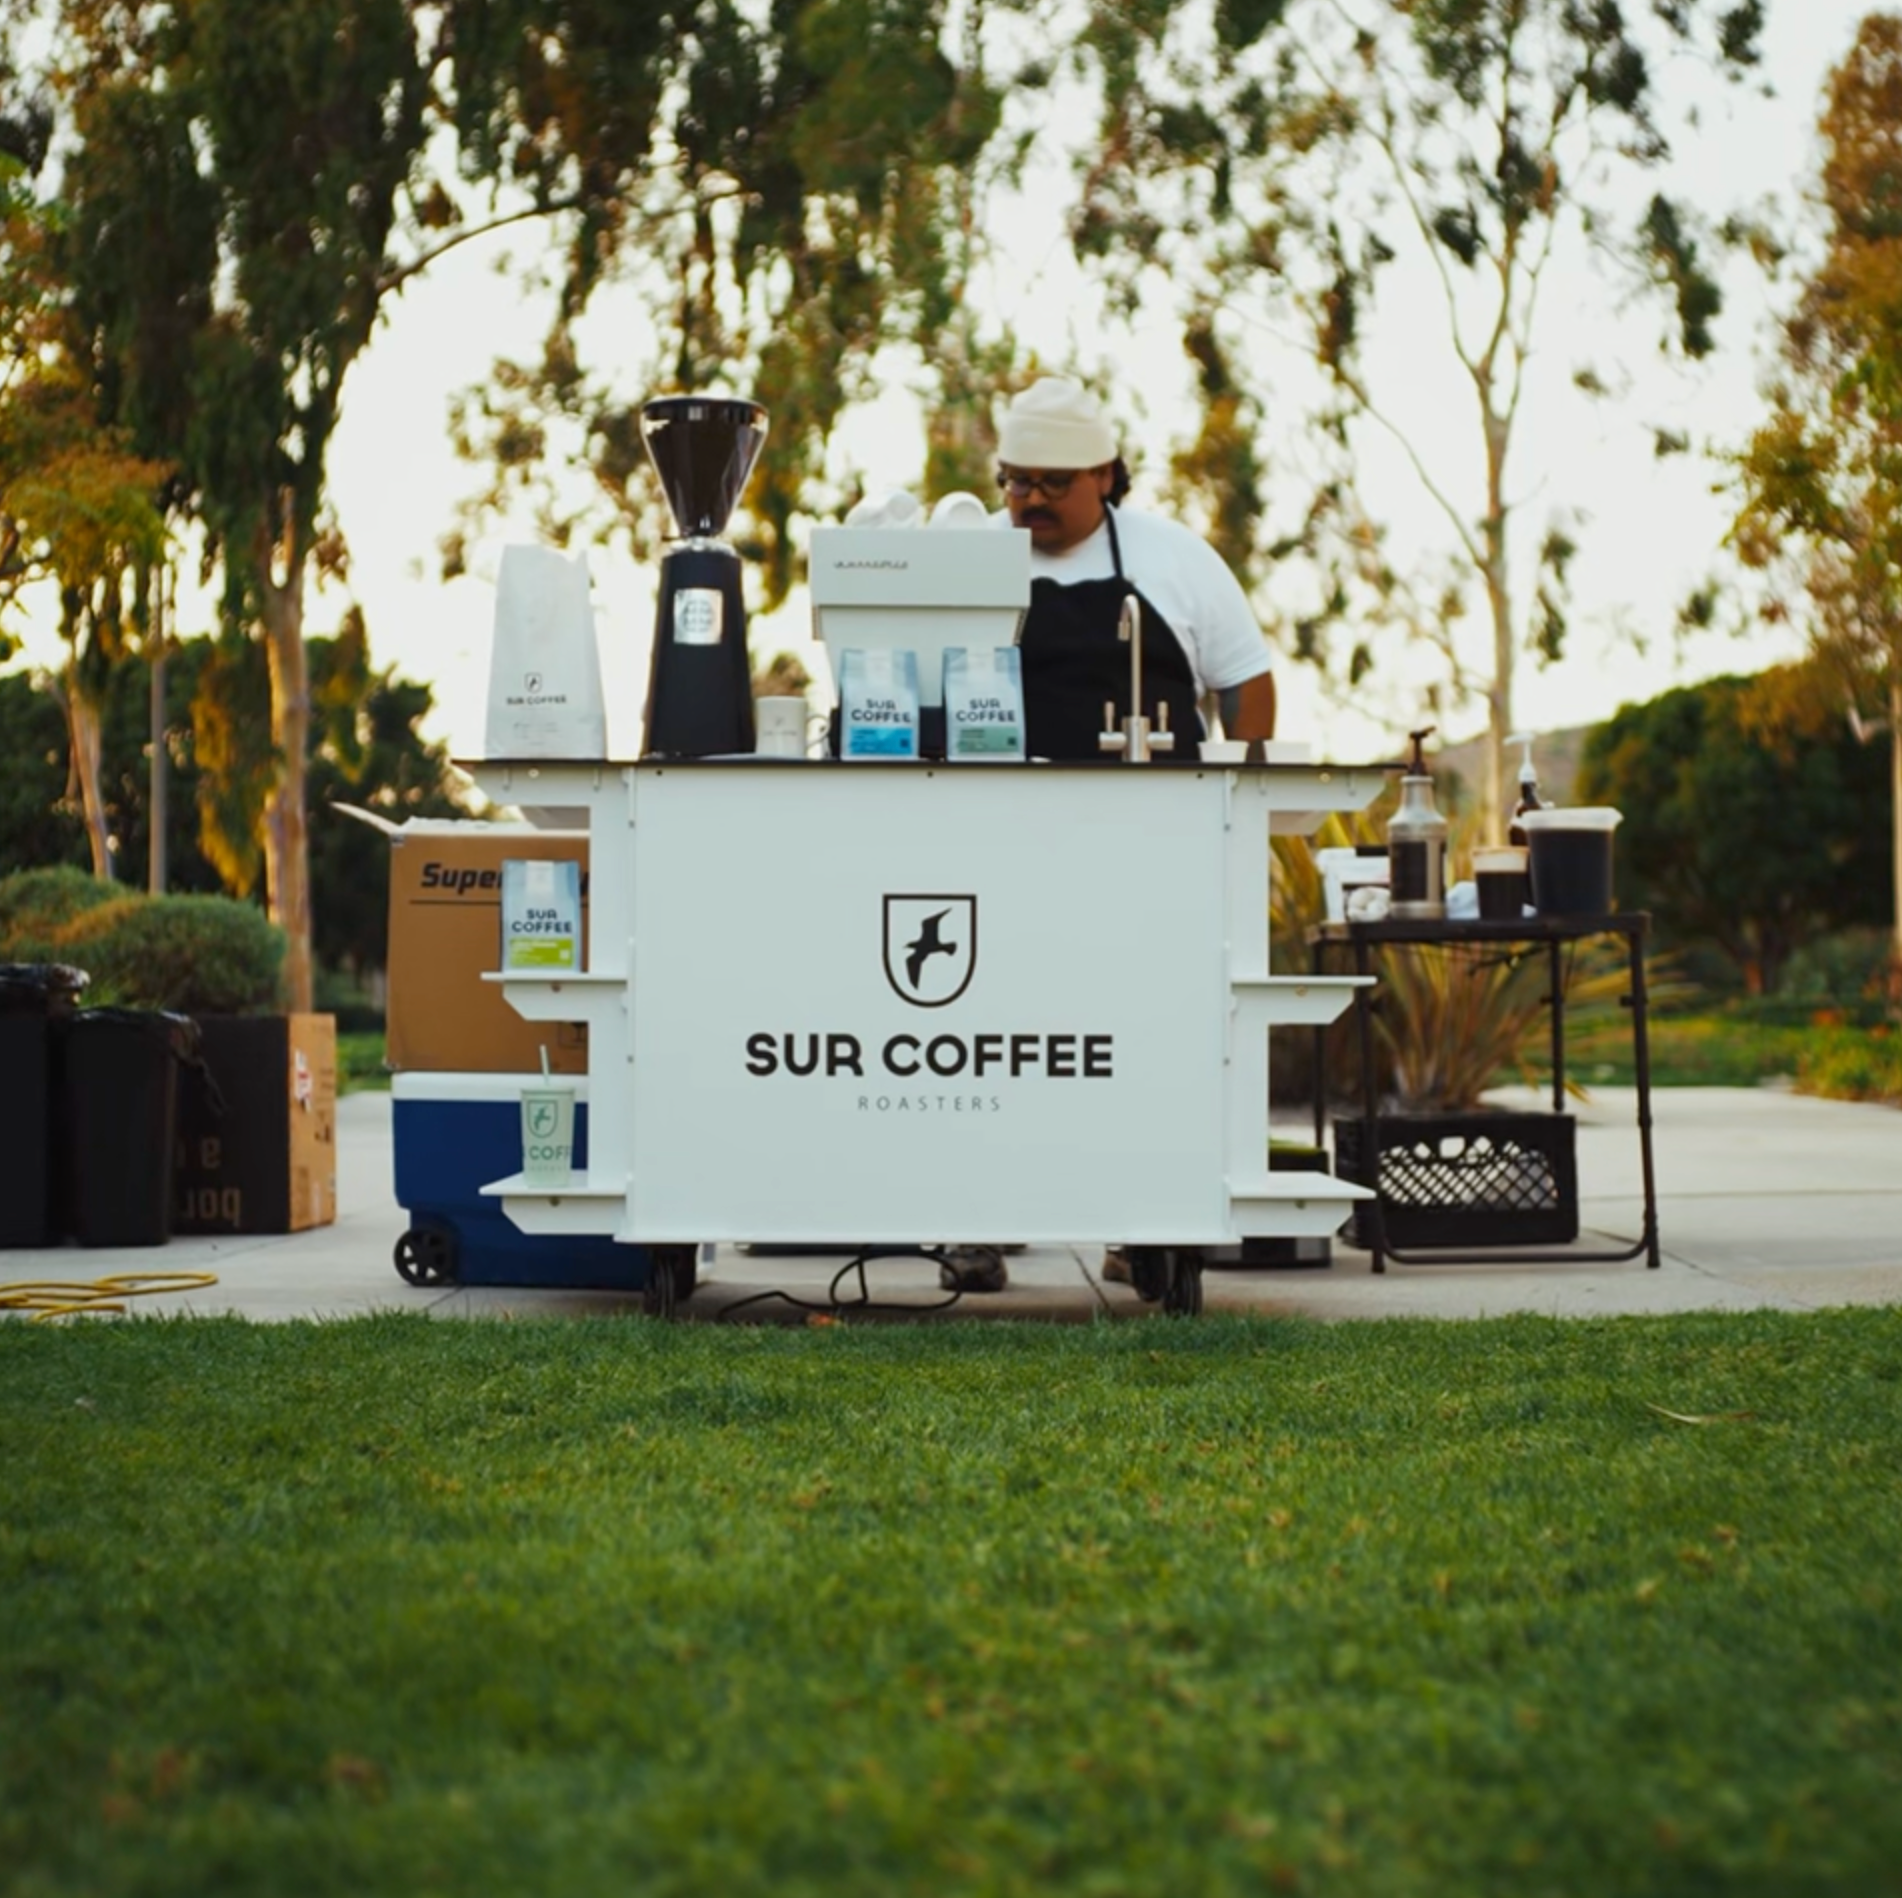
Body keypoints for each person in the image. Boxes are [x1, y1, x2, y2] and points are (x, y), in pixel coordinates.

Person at [940, 377, 1279, 1296]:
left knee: (1145, 1036)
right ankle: (971, 1223)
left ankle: (1150, 1227)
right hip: (1002, 839)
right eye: (1016, 482)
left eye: (1053, 483)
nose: (1031, 502)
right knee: (990, 1038)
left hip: (1151, 845)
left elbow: (1247, 683)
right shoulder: (970, 562)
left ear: (1108, 476)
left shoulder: (1175, 560)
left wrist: (1243, 787)